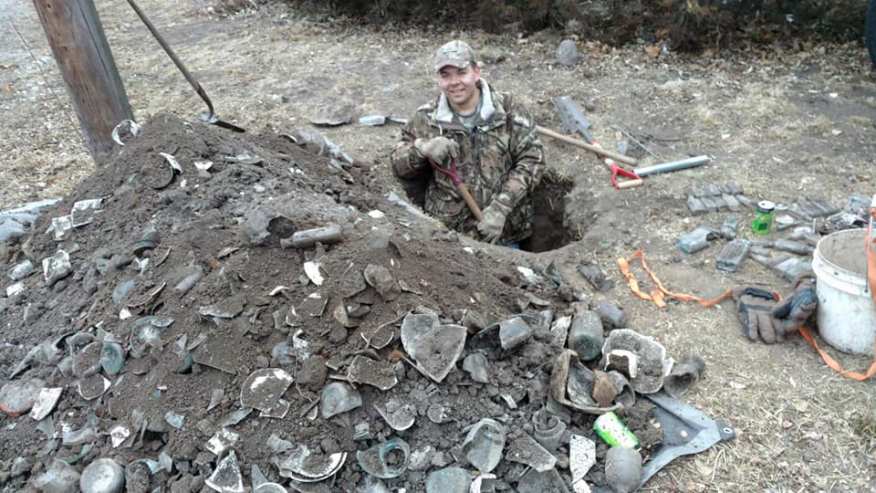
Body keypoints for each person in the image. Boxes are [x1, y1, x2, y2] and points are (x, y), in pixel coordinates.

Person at [390, 40, 544, 245]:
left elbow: (533, 160)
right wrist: (421, 149)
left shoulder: (508, 110)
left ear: (476, 72)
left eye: (461, 72)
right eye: (445, 75)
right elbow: (398, 166)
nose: (454, 82)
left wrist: (501, 208)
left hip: (504, 234)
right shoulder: (427, 117)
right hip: (449, 237)